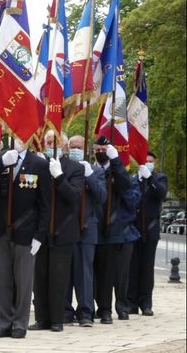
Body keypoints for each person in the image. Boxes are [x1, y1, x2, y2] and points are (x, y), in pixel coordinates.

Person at [0, 138, 51, 339]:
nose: (20, 140)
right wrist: (1, 164)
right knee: (1, 279)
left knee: (23, 280)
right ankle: (3, 322)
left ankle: (20, 323)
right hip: (0, 228)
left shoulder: (39, 164)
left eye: (24, 137)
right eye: (16, 136)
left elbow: (46, 203)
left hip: (26, 230)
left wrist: (40, 235)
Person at [29, 131, 84, 333]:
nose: (52, 145)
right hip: (41, 231)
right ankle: (42, 318)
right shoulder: (39, 167)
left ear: (65, 145)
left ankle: (57, 319)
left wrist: (59, 176)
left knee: (58, 278)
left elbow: (74, 197)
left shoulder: (75, 168)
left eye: (56, 142)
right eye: (49, 142)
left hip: (63, 230)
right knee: (40, 277)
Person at [64, 135, 107, 327]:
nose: (75, 150)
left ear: (86, 150)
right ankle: (65, 311)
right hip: (66, 227)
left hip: (87, 228)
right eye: (72, 146)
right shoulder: (64, 169)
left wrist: (89, 175)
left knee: (84, 274)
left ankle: (85, 312)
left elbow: (102, 196)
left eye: (79, 147)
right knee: (65, 274)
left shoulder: (96, 172)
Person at [92, 135, 134, 324]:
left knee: (115, 273)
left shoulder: (119, 171)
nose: (101, 153)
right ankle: (102, 308)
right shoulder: (90, 170)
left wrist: (116, 160)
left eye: (104, 150)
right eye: (98, 150)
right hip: (95, 229)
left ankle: (114, 309)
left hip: (115, 229)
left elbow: (126, 187)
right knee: (99, 275)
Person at [128, 151, 167, 316]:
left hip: (150, 230)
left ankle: (146, 304)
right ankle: (131, 303)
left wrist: (150, 177)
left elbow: (162, 194)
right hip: (134, 229)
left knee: (147, 268)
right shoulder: (132, 180)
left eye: (151, 161)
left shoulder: (159, 178)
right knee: (132, 267)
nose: (148, 163)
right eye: (146, 161)